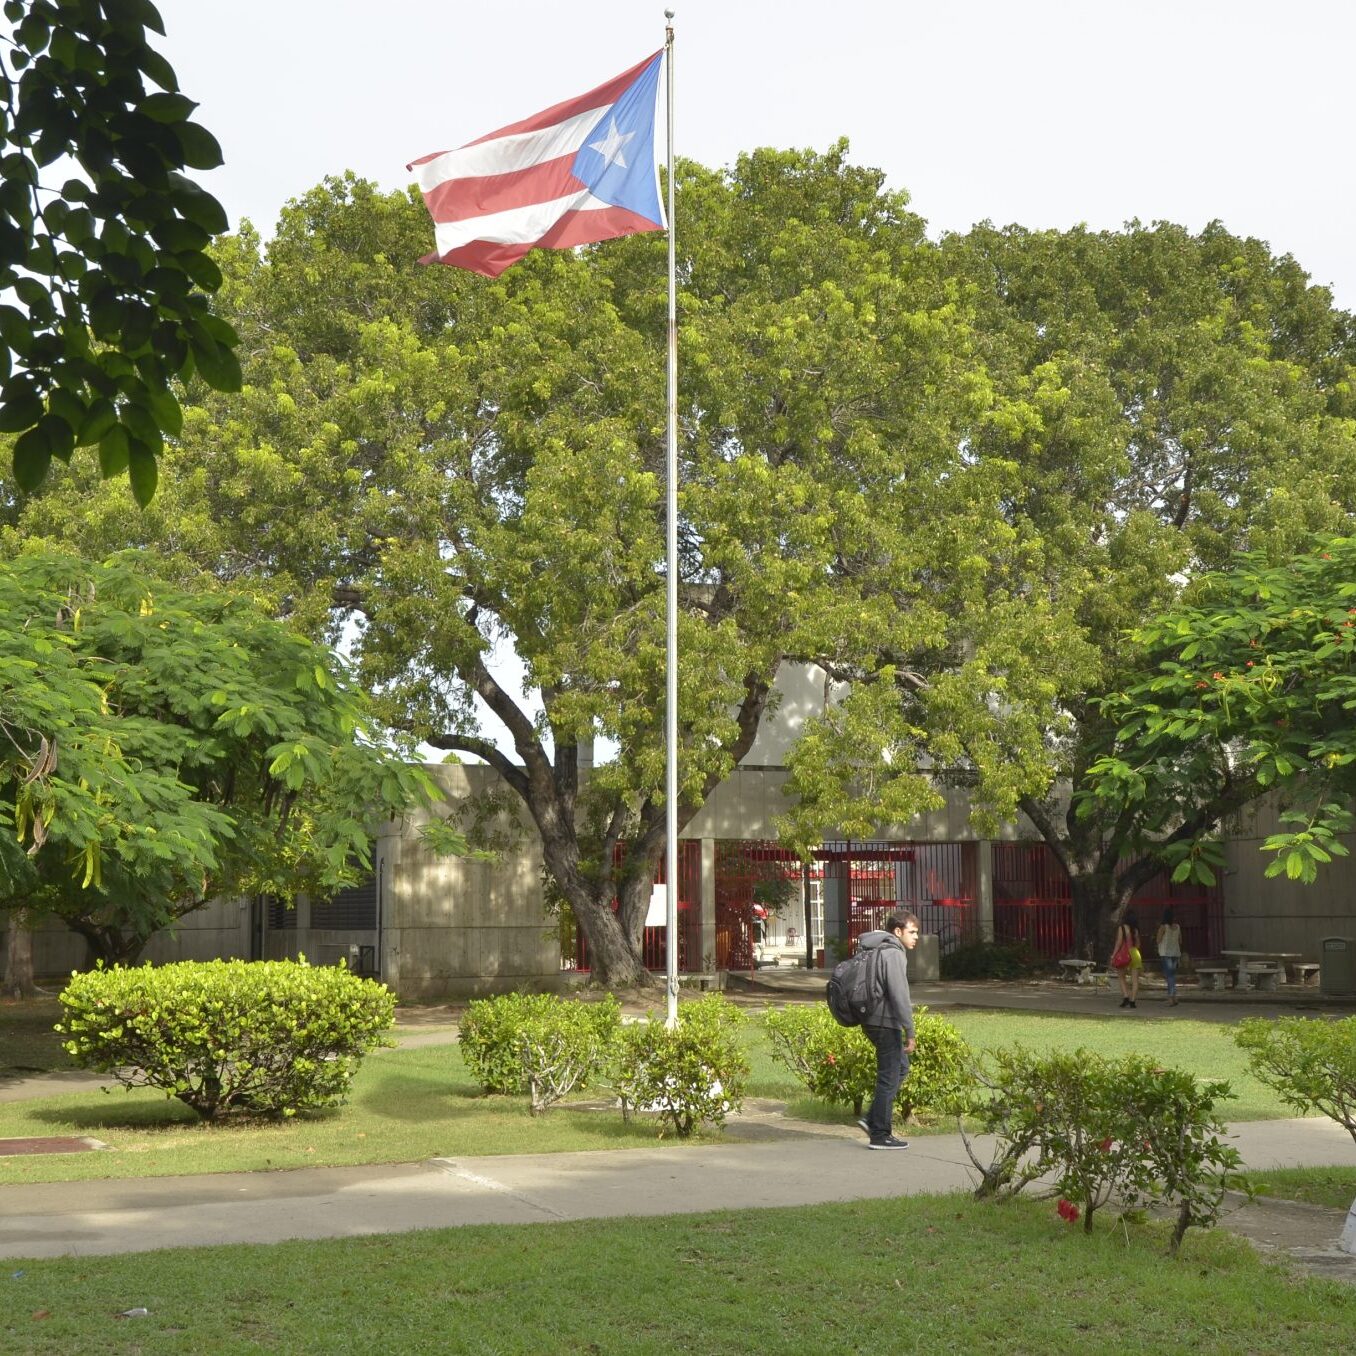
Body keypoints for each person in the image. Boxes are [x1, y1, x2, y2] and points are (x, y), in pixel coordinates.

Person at [855, 911, 919, 1149]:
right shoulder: (893, 953)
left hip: (872, 1019)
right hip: (884, 1021)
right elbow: (900, 995)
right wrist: (910, 1031)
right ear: (898, 931)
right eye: (912, 932)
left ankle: (872, 1119)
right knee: (889, 1075)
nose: (916, 937)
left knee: (900, 1067)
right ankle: (880, 1134)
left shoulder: (877, 949)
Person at [1112, 909, 1142, 1009]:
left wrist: (1114, 954)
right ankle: (1133, 1001)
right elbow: (1138, 945)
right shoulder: (1136, 930)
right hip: (1136, 954)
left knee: (1121, 977)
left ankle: (1126, 997)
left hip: (1125, 953)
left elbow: (1119, 942)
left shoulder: (1122, 928)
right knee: (1135, 980)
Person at [1156, 907, 1182, 1006]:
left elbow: (1158, 940)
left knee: (1169, 976)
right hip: (1175, 953)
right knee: (1172, 975)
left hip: (1166, 953)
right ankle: (1174, 997)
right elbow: (1180, 941)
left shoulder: (1163, 927)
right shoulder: (1178, 927)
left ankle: (1170, 998)